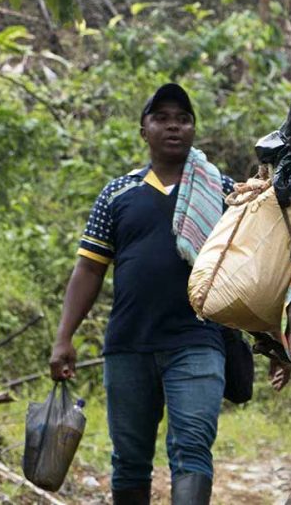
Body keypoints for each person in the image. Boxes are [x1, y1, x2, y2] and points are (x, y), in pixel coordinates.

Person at [49, 83, 236, 505]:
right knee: (130, 459)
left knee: (191, 450)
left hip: (197, 341)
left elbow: (250, 266)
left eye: (183, 119)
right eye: (162, 118)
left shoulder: (223, 191)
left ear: (193, 130)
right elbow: (89, 269)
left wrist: (271, 340)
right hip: (128, 345)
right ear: (143, 130)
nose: (174, 126)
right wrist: (64, 337)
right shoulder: (117, 194)